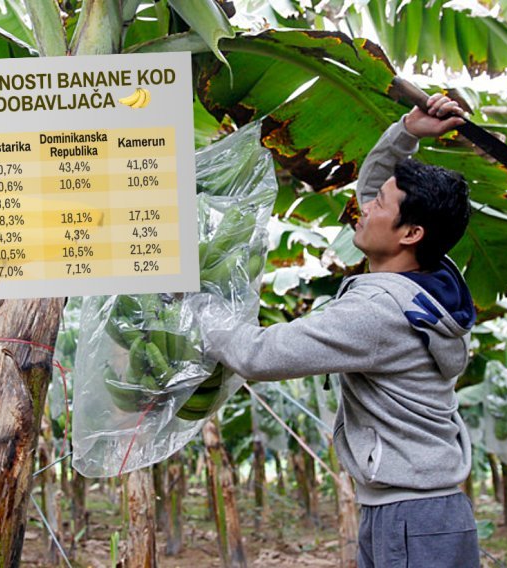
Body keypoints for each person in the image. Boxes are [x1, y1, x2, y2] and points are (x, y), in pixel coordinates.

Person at [199, 94, 480, 567]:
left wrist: (195, 304)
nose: (364, 208)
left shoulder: (379, 313)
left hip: (411, 519)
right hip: (423, 512)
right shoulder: (430, 279)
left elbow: (258, 356)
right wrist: (407, 131)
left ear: (410, 234)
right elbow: (376, 189)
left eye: (380, 205)